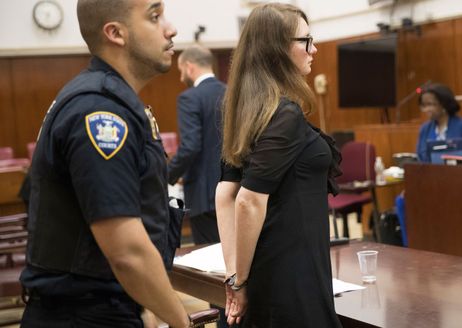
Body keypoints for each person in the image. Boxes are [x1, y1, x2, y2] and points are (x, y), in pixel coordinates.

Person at [20, 0, 193, 327]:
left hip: (103, 306)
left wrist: (147, 303)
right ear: (116, 33)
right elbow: (126, 251)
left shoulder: (112, 102)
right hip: (83, 314)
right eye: (155, 17)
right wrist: (180, 321)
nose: (171, 28)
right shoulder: (99, 112)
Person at [215, 3, 343, 327]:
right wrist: (239, 283)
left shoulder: (246, 109)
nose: (314, 49)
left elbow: (225, 194)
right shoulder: (284, 113)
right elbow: (247, 200)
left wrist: (235, 276)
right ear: (278, 50)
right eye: (305, 41)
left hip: (265, 264)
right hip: (292, 272)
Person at [168, 45, 226, 246]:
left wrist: (168, 175)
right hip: (235, 190)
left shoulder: (189, 98)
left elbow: (191, 146)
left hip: (204, 196)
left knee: (211, 262)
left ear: (189, 67)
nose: (181, 76)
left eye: (181, 71)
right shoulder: (232, 93)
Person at [416, 83, 462, 162]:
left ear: (444, 104)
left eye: (430, 104)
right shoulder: (425, 129)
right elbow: (420, 158)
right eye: (424, 105)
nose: (426, 109)